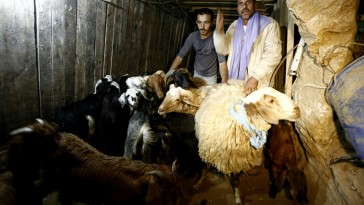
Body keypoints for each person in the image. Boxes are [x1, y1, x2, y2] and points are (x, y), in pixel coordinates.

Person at [214, 0, 282, 94]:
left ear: (255, 5)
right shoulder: (234, 26)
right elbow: (224, 50)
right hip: (234, 83)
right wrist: (219, 33)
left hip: (257, 84)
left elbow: (273, 56)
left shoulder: (269, 25)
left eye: (248, 2)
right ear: (237, 8)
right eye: (241, 3)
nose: (244, 6)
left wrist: (255, 77)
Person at [166, 8, 228, 85]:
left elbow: (222, 62)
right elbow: (180, 56)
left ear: (211, 23)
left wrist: (224, 80)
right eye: (199, 22)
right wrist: (169, 72)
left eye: (206, 22)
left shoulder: (216, 39)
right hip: (196, 75)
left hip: (211, 79)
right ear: (196, 22)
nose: (202, 26)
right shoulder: (192, 37)